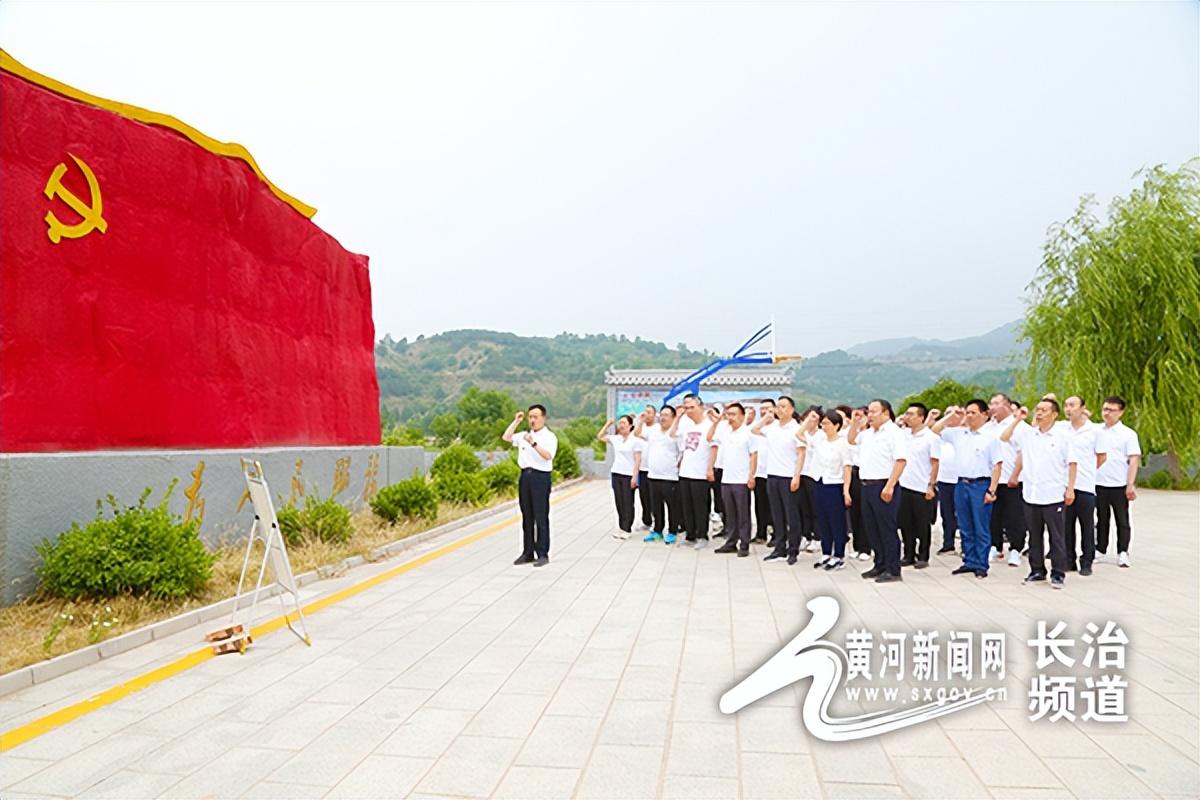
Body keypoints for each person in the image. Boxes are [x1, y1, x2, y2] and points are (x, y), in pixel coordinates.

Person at [1002, 398, 1078, 590]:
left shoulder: (1062, 437)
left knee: (1056, 536)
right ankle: (1037, 570)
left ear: (1054, 414)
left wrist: (1070, 488)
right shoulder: (1028, 434)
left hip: (1053, 494)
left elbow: (1072, 464)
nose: (1039, 413)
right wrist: (1018, 419)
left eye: (1044, 410)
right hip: (1031, 493)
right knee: (1034, 536)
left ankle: (1058, 573)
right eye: (1038, 409)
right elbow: (1004, 437)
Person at [932, 400, 1003, 578]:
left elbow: (997, 465)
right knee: (964, 525)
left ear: (984, 414)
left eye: (973, 413)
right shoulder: (959, 434)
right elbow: (935, 429)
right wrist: (951, 415)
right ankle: (969, 560)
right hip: (961, 484)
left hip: (980, 484)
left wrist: (992, 490)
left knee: (981, 526)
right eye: (968, 413)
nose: (969, 416)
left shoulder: (990, 437)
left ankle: (981, 563)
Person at [848, 400, 908, 583]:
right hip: (866, 486)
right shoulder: (867, 434)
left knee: (887, 528)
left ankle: (893, 568)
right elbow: (851, 440)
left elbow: (901, 460)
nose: (870, 415)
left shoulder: (894, 434)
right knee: (872, 528)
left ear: (886, 413)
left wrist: (890, 485)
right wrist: (855, 423)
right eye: (869, 411)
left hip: (883, 485)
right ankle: (880, 563)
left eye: (874, 411)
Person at [502, 405, 559, 567]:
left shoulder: (549, 436)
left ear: (543, 418)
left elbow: (548, 456)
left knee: (540, 515)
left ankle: (542, 552)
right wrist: (516, 421)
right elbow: (506, 437)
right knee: (527, 516)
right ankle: (528, 552)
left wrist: (533, 443)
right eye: (530, 417)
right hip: (525, 476)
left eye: (536, 417)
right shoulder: (524, 435)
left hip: (540, 477)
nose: (532, 420)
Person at [1059, 396, 1107, 574]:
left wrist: (1089, 471)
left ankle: (1087, 561)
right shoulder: (1062, 429)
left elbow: (1102, 456)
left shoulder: (1094, 431)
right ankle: (1068, 560)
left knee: (1086, 525)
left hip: (1085, 485)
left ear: (1082, 408)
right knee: (1066, 525)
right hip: (1064, 484)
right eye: (1066, 405)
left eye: (1072, 405)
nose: (1068, 409)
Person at [757, 396, 805, 564]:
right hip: (773, 475)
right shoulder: (773, 427)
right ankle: (779, 548)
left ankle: (793, 550)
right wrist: (766, 417)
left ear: (792, 409)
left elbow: (801, 454)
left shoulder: (796, 429)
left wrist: (796, 475)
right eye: (778, 407)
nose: (780, 410)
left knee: (791, 515)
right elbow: (754, 430)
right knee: (777, 515)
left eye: (784, 407)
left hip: (788, 476)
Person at [1095, 396, 1141, 568]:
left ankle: (1123, 551)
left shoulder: (1128, 434)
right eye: (1105, 409)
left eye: (1111, 410)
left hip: (1119, 483)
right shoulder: (1096, 430)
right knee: (1101, 518)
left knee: (1122, 519)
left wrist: (1130, 483)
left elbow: (1134, 459)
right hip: (1099, 482)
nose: (1107, 413)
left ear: (1121, 412)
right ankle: (1100, 549)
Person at [708, 403, 760, 557]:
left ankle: (744, 544)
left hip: (742, 479)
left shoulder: (749, 433)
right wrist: (717, 421)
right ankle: (731, 542)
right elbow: (709, 438)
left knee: (743, 513)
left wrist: (751, 475)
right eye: (728, 414)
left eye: (734, 414)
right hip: (727, 478)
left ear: (742, 416)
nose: (730, 417)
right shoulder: (726, 432)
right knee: (730, 513)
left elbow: (753, 455)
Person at [986, 394, 1029, 567]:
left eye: (997, 403)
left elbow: (1023, 453)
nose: (993, 407)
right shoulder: (988, 427)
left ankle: (1016, 549)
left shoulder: (1020, 427)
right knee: (993, 516)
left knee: (1015, 517)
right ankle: (995, 546)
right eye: (991, 403)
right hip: (993, 480)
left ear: (1007, 406)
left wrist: (1015, 475)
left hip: (1013, 479)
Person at [806, 409, 853, 570]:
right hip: (820, 482)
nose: (823, 426)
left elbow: (847, 468)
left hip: (835, 485)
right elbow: (799, 435)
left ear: (837, 425)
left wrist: (846, 491)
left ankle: (839, 555)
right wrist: (810, 419)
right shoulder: (820, 442)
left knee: (836, 521)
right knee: (823, 519)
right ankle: (826, 553)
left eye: (826, 423)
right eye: (822, 423)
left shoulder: (843, 444)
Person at [898, 403, 938, 569]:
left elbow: (935, 463)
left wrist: (931, 485)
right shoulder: (903, 435)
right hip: (904, 485)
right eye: (907, 414)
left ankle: (923, 555)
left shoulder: (931, 438)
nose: (908, 417)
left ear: (922, 417)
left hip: (921, 486)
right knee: (905, 523)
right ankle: (908, 554)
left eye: (912, 414)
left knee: (922, 524)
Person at [637, 405, 683, 544]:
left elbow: (682, 452)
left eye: (666, 415)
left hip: (670, 476)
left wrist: (677, 467)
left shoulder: (676, 433)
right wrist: (641, 421)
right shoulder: (654, 430)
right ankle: (657, 531)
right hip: (653, 475)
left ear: (673, 417)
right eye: (661, 415)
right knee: (656, 507)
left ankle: (673, 531)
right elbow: (637, 433)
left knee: (672, 506)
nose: (663, 418)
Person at [676, 393, 716, 549]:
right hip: (686, 471)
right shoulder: (688, 426)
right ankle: (690, 535)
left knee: (700, 506)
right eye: (686, 408)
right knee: (687, 505)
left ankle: (702, 535)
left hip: (701, 473)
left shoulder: (708, 425)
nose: (688, 410)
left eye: (692, 407)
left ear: (701, 407)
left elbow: (714, 448)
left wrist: (710, 468)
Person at [597, 415, 642, 539]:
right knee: (619, 502)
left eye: (624, 423)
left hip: (628, 475)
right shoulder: (616, 439)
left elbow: (637, 460)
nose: (621, 425)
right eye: (620, 423)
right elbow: (600, 436)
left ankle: (627, 528)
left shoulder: (635, 441)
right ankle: (621, 527)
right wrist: (608, 424)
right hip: (616, 473)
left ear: (630, 426)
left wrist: (634, 477)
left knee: (628, 501)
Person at [930, 411, 959, 555]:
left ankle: (967, 547)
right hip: (944, 481)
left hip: (959, 480)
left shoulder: (962, 433)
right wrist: (949, 415)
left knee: (962, 515)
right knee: (946, 514)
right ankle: (948, 543)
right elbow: (934, 428)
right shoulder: (944, 435)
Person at [751, 401, 774, 543]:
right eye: (763, 409)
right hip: (759, 472)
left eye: (769, 409)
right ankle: (761, 533)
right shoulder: (758, 427)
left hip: (773, 472)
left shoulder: (777, 427)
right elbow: (753, 430)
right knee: (760, 505)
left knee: (773, 506)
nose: (765, 411)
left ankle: (776, 533)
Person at [635, 405, 656, 530]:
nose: (646, 414)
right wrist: (640, 421)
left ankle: (656, 520)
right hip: (642, 468)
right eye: (645, 412)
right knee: (644, 496)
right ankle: (646, 520)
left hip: (653, 468)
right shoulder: (641, 427)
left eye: (649, 412)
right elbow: (636, 434)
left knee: (654, 497)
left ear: (654, 414)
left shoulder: (657, 428)